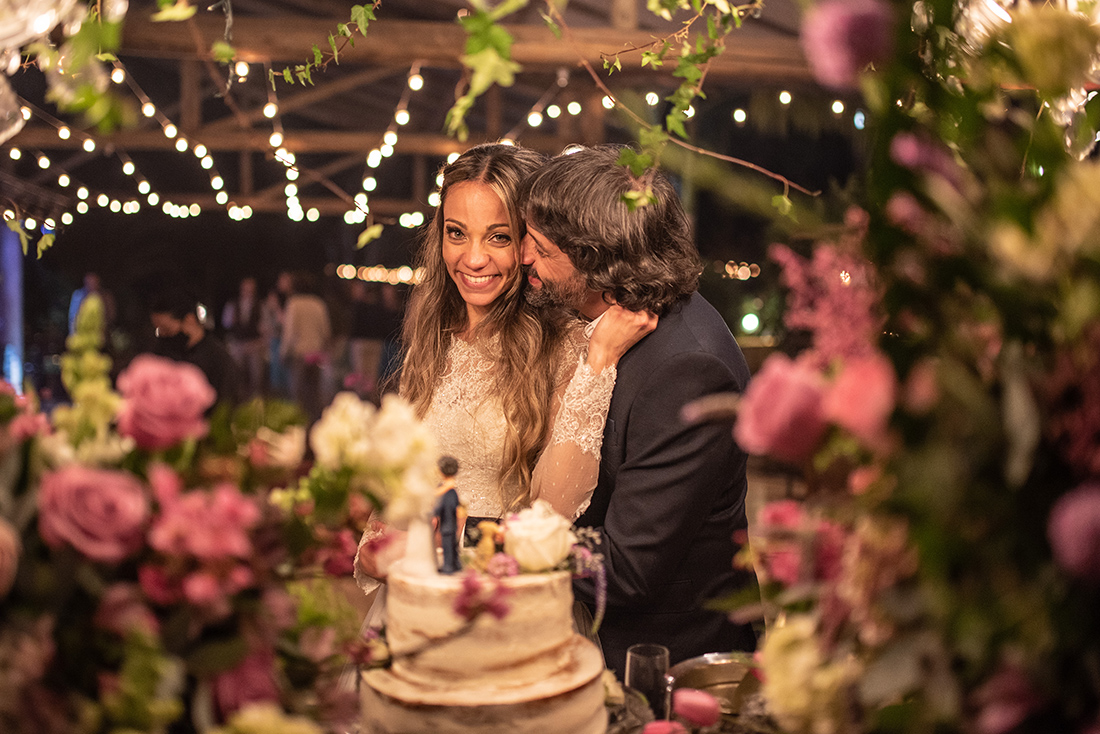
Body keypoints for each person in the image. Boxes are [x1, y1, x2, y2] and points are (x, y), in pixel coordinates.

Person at [353, 143, 655, 595]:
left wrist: (596, 365)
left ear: (530, 243)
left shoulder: (565, 345)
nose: (473, 259)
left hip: (504, 603)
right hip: (416, 599)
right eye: (457, 233)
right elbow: (388, 511)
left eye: (499, 237)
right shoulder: (433, 337)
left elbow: (552, 516)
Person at [519, 145, 759, 675]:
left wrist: (501, 542)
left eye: (539, 247)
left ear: (594, 258)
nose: (523, 258)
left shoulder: (685, 372)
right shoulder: (622, 321)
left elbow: (627, 570)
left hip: (663, 666)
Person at [150, 290, 241, 406]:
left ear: (189, 320)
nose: (162, 336)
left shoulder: (218, 359)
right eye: (158, 330)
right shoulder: (160, 354)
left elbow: (227, 405)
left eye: (166, 329)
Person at [281, 272, 332, 423]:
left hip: (300, 355)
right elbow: (326, 331)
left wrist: (284, 353)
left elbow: (289, 332)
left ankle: (299, 426)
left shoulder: (293, 303)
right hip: (316, 355)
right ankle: (316, 426)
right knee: (315, 396)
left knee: (298, 396)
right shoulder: (318, 303)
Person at [221, 276, 265, 398]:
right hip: (238, 343)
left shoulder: (260, 305)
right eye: (246, 288)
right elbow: (226, 323)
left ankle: (255, 400)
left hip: (254, 344)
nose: (248, 291)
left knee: (256, 376)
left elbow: (264, 325)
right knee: (237, 373)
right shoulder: (233, 304)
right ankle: (239, 398)